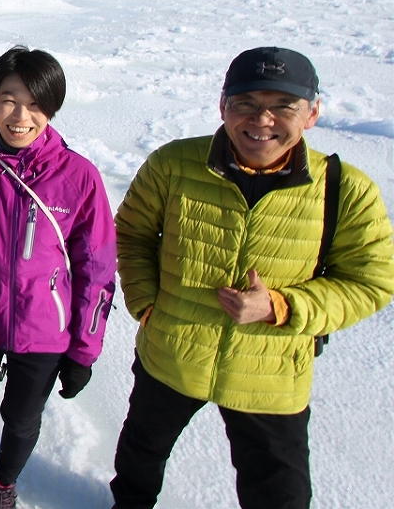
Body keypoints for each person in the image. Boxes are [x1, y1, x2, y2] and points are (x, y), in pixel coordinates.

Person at [110, 47, 394, 509]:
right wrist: (147, 305)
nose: (262, 119)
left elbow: (371, 281)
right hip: (173, 351)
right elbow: (132, 232)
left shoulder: (344, 188)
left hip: (271, 372)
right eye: (245, 103)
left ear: (312, 114)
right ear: (223, 106)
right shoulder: (175, 164)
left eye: (283, 105)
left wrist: (282, 307)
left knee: (278, 494)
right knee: (139, 460)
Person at [0, 47, 117, 509]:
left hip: (45, 331)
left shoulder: (78, 176)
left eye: (35, 104)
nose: (20, 116)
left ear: (51, 108)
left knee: (21, 418)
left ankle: (3, 482)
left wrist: (84, 350)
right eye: (8, 99)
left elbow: (97, 271)